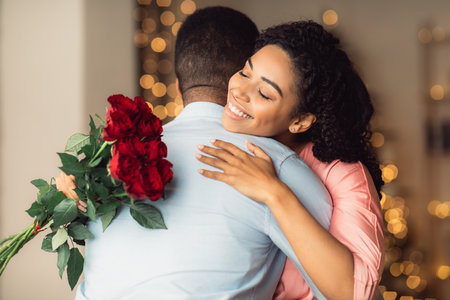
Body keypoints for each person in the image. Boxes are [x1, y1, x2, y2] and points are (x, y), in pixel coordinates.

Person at [57, 7, 334, 299]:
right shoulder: (280, 168)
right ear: (237, 77)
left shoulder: (110, 162)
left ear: (178, 86)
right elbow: (351, 288)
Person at [196, 21, 384, 299]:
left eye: (264, 93)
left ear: (300, 121)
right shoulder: (212, 137)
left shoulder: (343, 174)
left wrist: (274, 193)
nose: (239, 91)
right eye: (245, 72)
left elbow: (355, 292)